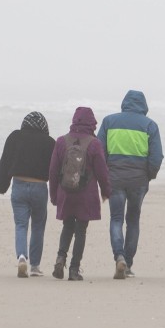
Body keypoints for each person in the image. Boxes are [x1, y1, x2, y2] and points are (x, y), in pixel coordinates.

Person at [97, 90, 163, 279]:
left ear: (124, 103)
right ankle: (128, 263)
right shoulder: (150, 125)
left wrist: (105, 176)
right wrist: (148, 176)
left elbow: (100, 152)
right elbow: (156, 157)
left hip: (115, 178)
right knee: (133, 220)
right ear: (144, 105)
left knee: (116, 219)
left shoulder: (109, 122)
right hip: (138, 180)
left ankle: (119, 256)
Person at [48, 107, 111, 281]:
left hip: (65, 192)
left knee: (67, 226)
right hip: (86, 194)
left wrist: (54, 195)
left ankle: (60, 258)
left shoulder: (61, 141)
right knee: (81, 231)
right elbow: (102, 172)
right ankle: (74, 270)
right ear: (92, 123)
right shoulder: (94, 143)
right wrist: (106, 191)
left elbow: (53, 171)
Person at [0, 111, 56, 277]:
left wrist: (1, 186)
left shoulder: (15, 137)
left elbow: (5, 162)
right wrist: (57, 192)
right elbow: (55, 170)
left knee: (21, 225)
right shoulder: (50, 142)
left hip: (19, 185)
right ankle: (35, 266)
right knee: (38, 226)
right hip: (40, 187)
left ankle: (22, 257)